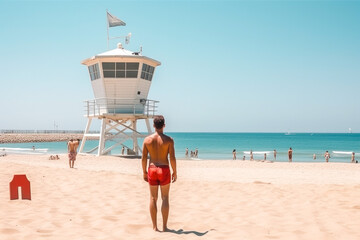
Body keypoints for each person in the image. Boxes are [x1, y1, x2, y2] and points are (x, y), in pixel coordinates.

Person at [141, 115, 177, 232]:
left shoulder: (147, 140)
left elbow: (144, 158)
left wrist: (144, 172)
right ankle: (165, 227)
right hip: (164, 169)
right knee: (165, 197)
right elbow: (172, 157)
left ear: (154, 126)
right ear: (164, 125)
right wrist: (175, 171)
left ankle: (154, 227)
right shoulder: (169, 140)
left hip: (152, 169)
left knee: (153, 198)